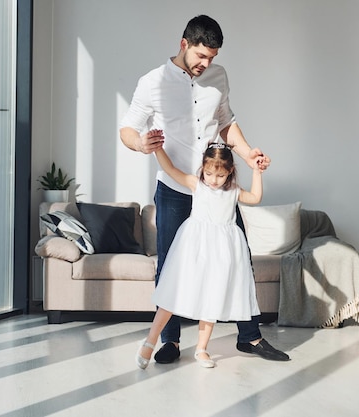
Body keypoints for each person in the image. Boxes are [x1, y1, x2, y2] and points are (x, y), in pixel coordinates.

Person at [120, 14, 289, 362]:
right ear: (184, 45)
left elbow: (225, 121)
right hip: (175, 187)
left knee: (239, 257)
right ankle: (171, 341)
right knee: (170, 264)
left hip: (217, 189)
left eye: (212, 57)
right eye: (201, 56)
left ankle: (250, 338)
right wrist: (142, 145)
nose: (206, 63)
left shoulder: (218, 76)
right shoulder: (152, 82)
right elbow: (128, 129)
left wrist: (248, 153)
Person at [137, 142, 263, 369]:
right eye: (209, 173)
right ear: (202, 169)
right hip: (194, 248)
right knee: (173, 292)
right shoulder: (197, 185)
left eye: (220, 175)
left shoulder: (233, 192)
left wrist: (256, 171)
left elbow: (255, 198)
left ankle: (202, 349)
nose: (214, 179)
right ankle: (150, 341)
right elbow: (171, 170)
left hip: (221, 252)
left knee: (211, 297)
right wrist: (157, 148)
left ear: (229, 172)